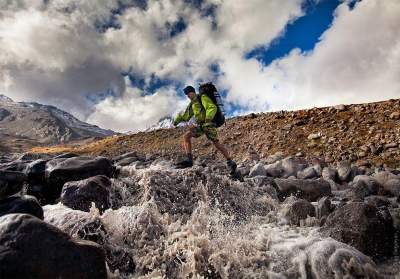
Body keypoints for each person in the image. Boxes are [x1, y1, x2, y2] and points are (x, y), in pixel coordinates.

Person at [173, 85, 237, 174]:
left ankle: (230, 161)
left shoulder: (202, 97)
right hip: (201, 125)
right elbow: (185, 116)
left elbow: (212, 107)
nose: (188, 96)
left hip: (209, 123)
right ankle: (189, 160)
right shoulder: (192, 104)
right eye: (187, 95)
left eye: (189, 93)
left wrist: (208, 118)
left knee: (216, 143)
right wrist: (176, 121)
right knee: (186, 137)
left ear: (193, 92)